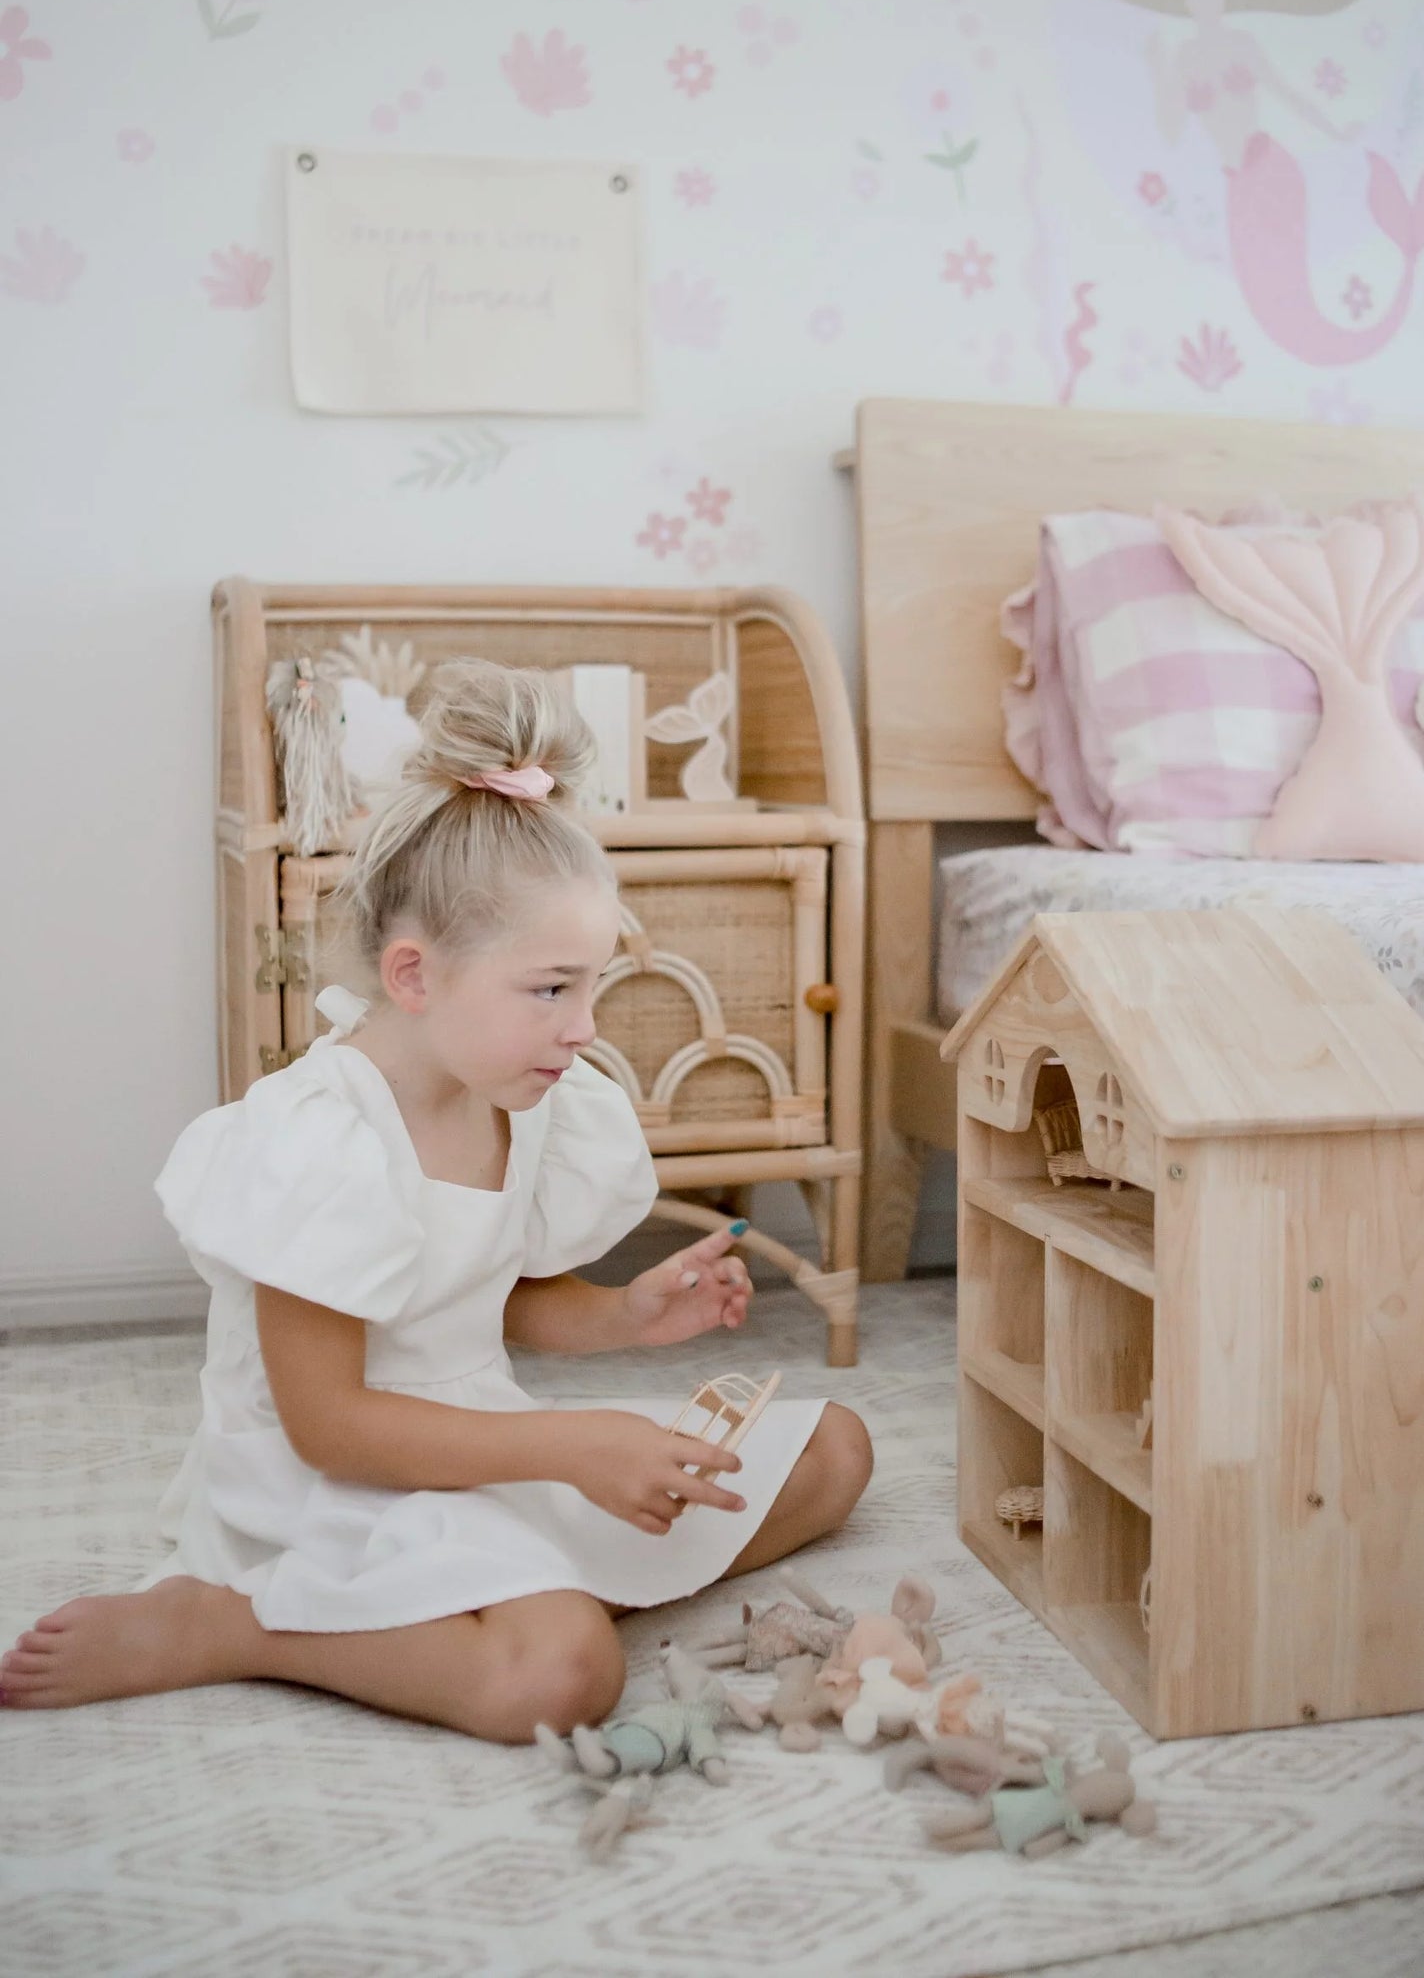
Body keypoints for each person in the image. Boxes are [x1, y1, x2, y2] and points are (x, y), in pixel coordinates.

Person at [1, 659, 872, 1740]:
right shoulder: (324, 1134)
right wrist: (574, 1449)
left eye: (591, 983)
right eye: (552, 987)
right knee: (562, 1675)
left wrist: (628, 1315)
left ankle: (468, 1596)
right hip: (336, 1477)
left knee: (834, 1448)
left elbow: (490, 1301)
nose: (584, 1025)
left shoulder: (518, 1091)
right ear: (413, 977)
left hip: (477, 1438)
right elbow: (330, 1427)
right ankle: (235, 1622)